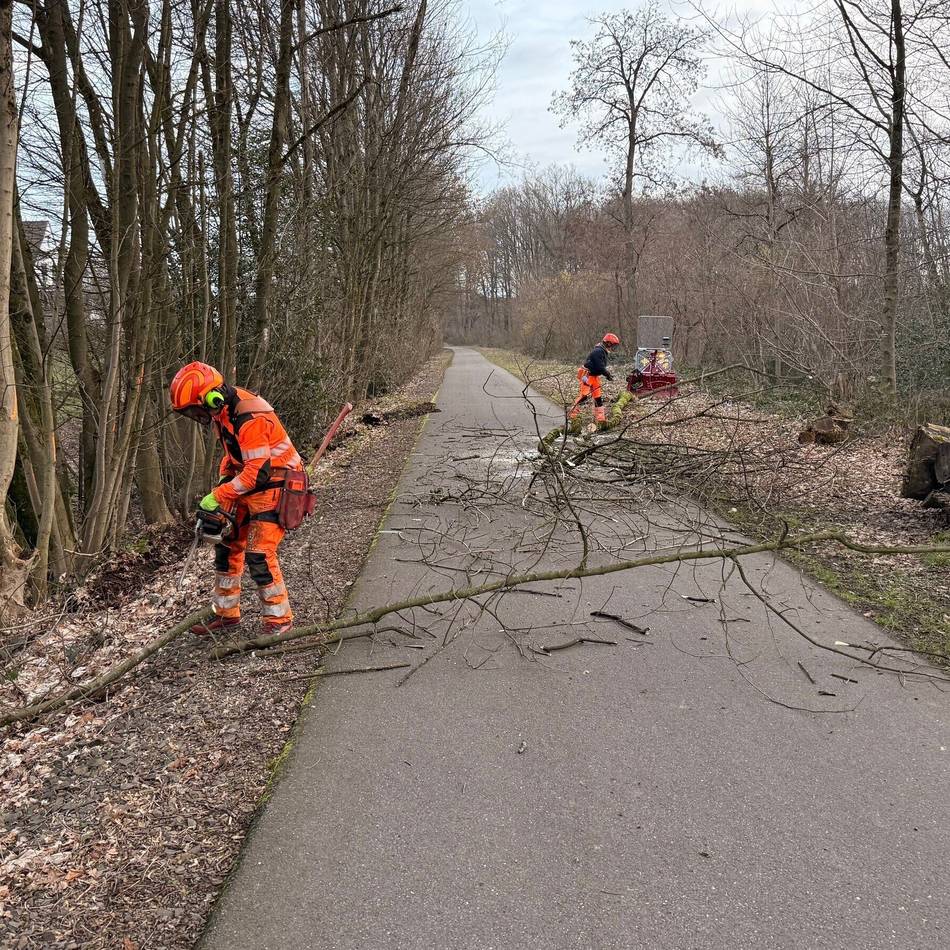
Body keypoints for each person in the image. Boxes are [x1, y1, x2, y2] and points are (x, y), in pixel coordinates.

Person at [169, 361, 304, 636]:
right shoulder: (223, 413)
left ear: (211, 397)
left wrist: (219, 494)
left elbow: (258, 472)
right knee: (227, 546)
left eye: (197, 410)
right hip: (252, 481)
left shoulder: (249, 417)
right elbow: (232, 457)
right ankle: (226, 614)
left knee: (259, 553)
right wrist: (222, 486)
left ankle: (279, 620)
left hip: (277, 483)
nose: (197, 416)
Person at [569, 333, 621, 427]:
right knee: (583, 396)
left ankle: (600, 419)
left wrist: (607, 374)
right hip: (587, 376)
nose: (613, 347)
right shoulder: (598, 351)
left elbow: (600, 367)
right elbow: (599, 366)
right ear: (608, 343)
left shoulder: (603, 351)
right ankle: (572, 416)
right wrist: (607, 374)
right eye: (613, 345)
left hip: (595, 376)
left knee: (598, 398)